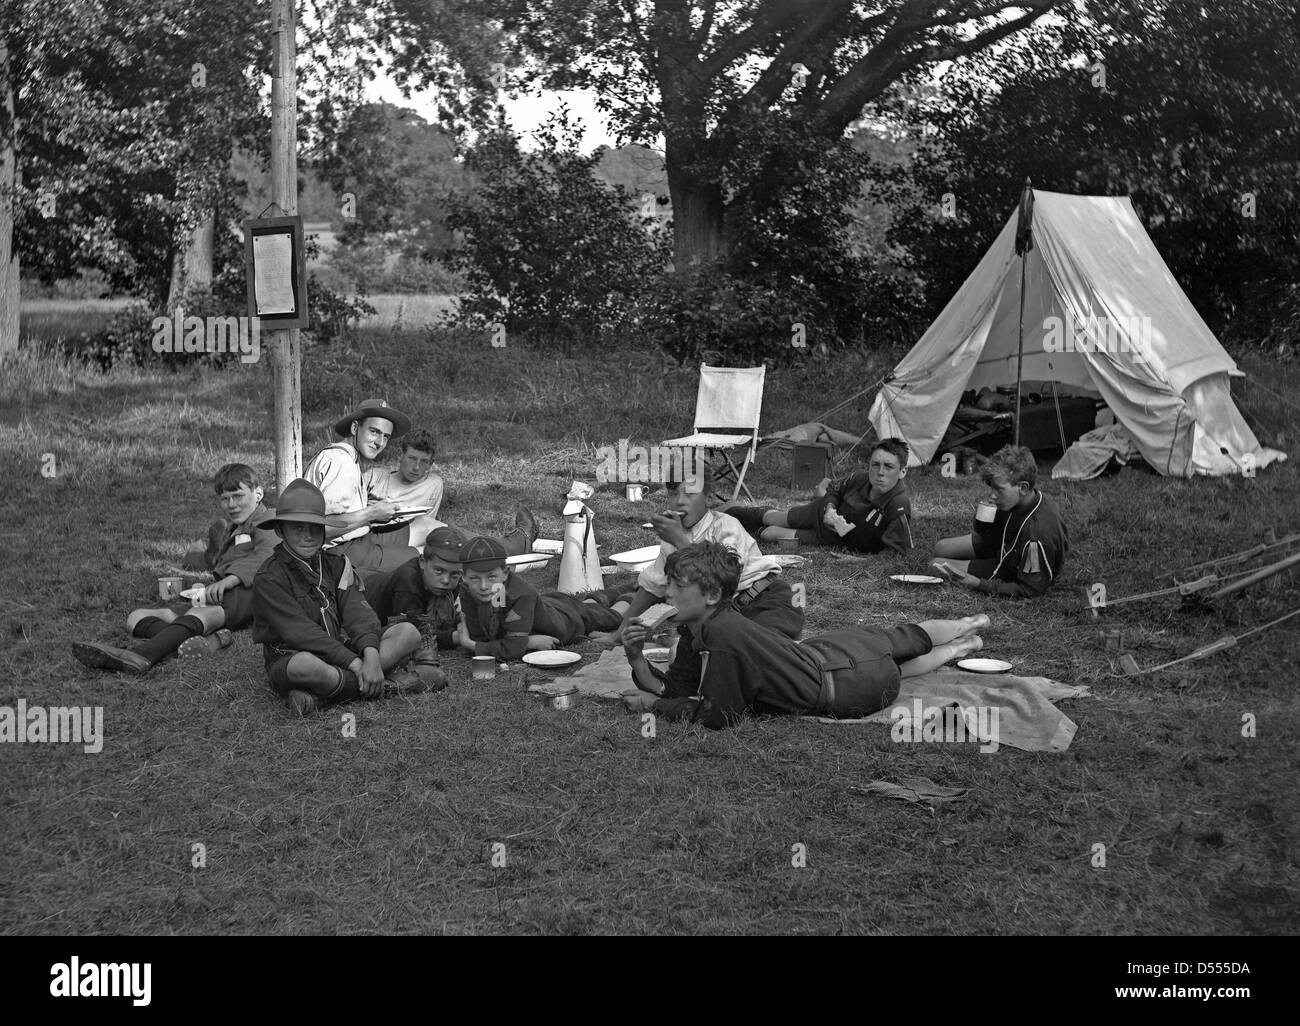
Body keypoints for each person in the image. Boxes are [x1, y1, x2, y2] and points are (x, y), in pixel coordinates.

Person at [623, 542, 989, 730]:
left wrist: (655, 708)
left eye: (676, 585)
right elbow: (677, 689)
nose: (667, 593)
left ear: (712, 595)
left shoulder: (722, 633)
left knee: (895, 667)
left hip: (848, 688)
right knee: (900, 642)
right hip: (829, 654)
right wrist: (638, 657)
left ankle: (964, 638)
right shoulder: (698, 626)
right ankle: (966, 631)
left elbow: (717, 717)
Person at [596, 463, 804, 681]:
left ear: (708, 498)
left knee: (766, 663)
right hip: (727, 617)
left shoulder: (726, 526)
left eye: (691, 493)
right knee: (685, 662)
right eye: (674, 493)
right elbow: (651, 587)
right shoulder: (672, 540)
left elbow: (721, 579)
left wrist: (678, 539)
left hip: (765, 600)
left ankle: (801, 655)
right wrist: (617, 635)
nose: (680, 500)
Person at [71, 463, 279, 675]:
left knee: (204, 613)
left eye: (238, 496)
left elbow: (269, 553)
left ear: (259, 493)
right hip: (221, 594)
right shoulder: (236, 528)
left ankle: (142, 655)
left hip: (252, 591)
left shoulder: (268, 519)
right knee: (136, 617)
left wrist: (232, 579)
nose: (231, 505)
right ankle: (204, 641)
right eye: (225, 499)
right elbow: (217, 564)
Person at [251, 479, 429, 716]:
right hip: (293, 656)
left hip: (338, 653)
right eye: (297, 528)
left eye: (315, 528)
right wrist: (356, 663)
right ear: (279, 531)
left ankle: (326, 697)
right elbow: (300, 633)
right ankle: (383, 686)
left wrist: (371, 655)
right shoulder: (269, 577)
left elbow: (358, 612)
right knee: (305, 665)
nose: (308, 536)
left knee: (407, 633)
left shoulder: (336, 564)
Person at [454, 536, 637, 662]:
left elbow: (511, 647)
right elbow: (490, 627)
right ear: (463, 577)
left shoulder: (519, 595)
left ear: (505, 573)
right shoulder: (471, 590)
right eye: (475, 578)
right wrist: (528, 641)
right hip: (549, 605)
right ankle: (627, 588)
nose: (483, 585)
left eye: (491, 577)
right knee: (586, 606)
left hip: (567, 622)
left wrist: (471, 645)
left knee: (611, 616)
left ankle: (634, 594)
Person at [724, 438, 914, 554]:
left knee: (768, 533)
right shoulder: (859, 478)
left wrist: (854, 560)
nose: (880, 472)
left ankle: (736, 529)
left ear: (903, 471)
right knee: (772, 517)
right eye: (875, 464)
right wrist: (830, 510)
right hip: (818, 512)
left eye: (888, 466)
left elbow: (894, 553)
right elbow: (833, 490)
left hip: (832, 540)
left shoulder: (898, 505)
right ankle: (726, 512)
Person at [931, 445, 1068, 598]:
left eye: (999, 489)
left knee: (934, 565)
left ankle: (978, 566)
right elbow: (989, 535)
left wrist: (977, 583)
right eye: (991, 488)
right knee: (940, 548)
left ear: (1023, 488)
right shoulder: (1021, 498)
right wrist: (984, 521)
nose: (992, 496)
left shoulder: (1035, 536)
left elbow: (1030, 590)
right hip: (1003, 545)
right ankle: (978, 562)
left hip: (1010, 566)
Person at [362, 526, 471, 690]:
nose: (446, 580)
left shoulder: (450, 582)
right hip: (364, 610)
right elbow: (416, 633)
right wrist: (453, 637)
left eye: (454, 574)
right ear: (422, 562)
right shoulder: (407, 582)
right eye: (438, 570)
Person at [364, 427, 445, 549]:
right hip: (371, 536)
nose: (416, 467)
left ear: (431, 463)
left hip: (411, 537)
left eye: (424, 461)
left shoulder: (433, 484)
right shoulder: (375, 476)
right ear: (400, 456)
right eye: (412, 458)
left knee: (447, 538)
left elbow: (428, 524)